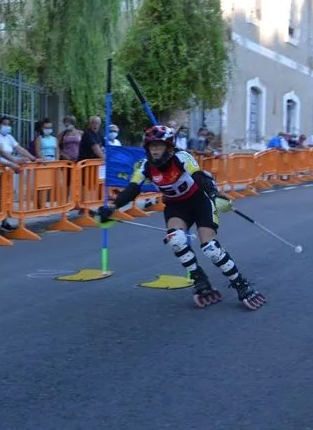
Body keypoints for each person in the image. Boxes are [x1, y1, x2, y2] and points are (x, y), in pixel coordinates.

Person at [96, 125, 266, 311]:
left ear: (169, 147)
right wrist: (112, 207)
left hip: (199, 202)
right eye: (151, 146)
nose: (155, 150)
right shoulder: (144, 166)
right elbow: (132, 190)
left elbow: (199, 177)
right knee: (175, 239)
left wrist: (214, 194)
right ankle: (199, 278)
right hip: (176, 206)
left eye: (159, 146)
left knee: (210, 248)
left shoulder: (181, 157)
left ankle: (241, 283)